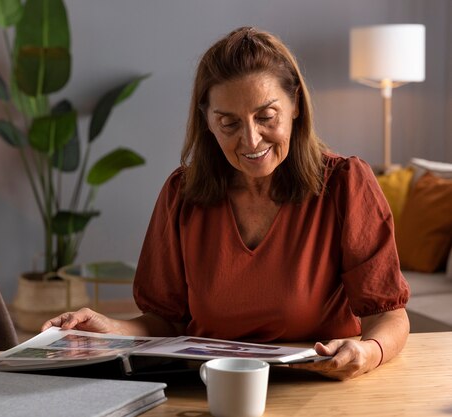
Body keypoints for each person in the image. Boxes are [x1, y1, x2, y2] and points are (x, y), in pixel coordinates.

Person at [42, 26, 410, 381]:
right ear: (207, 121)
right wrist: (108, 329)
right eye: (228, 123)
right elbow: (165, 322)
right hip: (208, 386)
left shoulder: (345, 184)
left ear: (295, 104)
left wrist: (369, 352)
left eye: (266, 117)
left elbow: (388, 315)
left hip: (319, 386)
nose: (251, 140)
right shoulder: (181, 194)